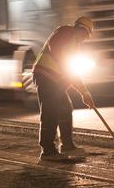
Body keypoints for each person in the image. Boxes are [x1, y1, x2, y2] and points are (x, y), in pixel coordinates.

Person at [32, 16, 96, 161]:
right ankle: (47, 151)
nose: (85, 38)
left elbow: (72, 72)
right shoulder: (65, 31)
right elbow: (56, 50)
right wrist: (66, 66)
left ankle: (67, 145)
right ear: (82, 29)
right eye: (86, 34)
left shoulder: (76, 46)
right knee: (50, 112)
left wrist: (84, 93)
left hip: (56, 80)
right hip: (45, 75)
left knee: (65, 108)